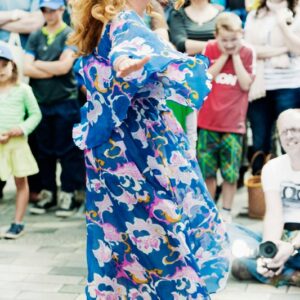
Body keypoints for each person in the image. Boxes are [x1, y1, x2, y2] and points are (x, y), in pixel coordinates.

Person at [68, 0, 230, 298]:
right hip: (135, 154)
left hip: (117, 151)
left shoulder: (119, 17)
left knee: (124, 236)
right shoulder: (124, 20)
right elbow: (126, 48)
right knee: (160, 232)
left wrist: (153, 33)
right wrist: (124, 63)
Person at [24, 0, 85, 217]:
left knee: (68, 151)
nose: (49, 14)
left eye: (52, 9)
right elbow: (25, 66)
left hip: (65, 100)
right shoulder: (35, 35)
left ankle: (68, 192)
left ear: (61, 9)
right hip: (41, 101)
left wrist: (38, 64)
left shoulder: (69, 34)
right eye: (44, 10)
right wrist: (51, 69)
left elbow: (64, 67)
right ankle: (48, 192)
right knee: (44, 150)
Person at [230, 109, 300, 287]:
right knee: (226, 231)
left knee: (242, 264)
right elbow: (274, 214)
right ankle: (282, 272)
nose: (289, 136)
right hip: (284, 234)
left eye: (294, 129)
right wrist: (269, 251)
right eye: (284, 131)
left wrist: (291, 247)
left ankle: (280, 273)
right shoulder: (272, 167)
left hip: (295, 243)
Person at [197, 12, 254, 223]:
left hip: (233, 125)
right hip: (209, 122)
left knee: (230, 173)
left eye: (234, 39)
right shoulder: (210, 49)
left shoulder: (248, 52)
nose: (229, 44)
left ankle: (227, 212)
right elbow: (206, 78)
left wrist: (236, 56)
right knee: (208, 171)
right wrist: (223, 56)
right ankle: (210, 212)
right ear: (216, 36)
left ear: (241, 35)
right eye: (224, 40)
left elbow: (246, 84)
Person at [245, 0, 300, 162]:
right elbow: (249, 50)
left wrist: (282, 25)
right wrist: (284, 49)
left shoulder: (296, 12)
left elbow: (298, 48)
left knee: (292, 139)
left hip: (290, 85)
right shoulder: (254, 15)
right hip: (259, 85)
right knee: (260, 143)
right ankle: (262, 183)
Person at [0, 42, 42, 239]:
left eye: (4, 65)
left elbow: (35, 114)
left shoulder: (23, 89)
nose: (0, 70)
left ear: (12, 66)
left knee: (21, 182)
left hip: (17, 144)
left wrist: (23, 128)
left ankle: (18, 222)